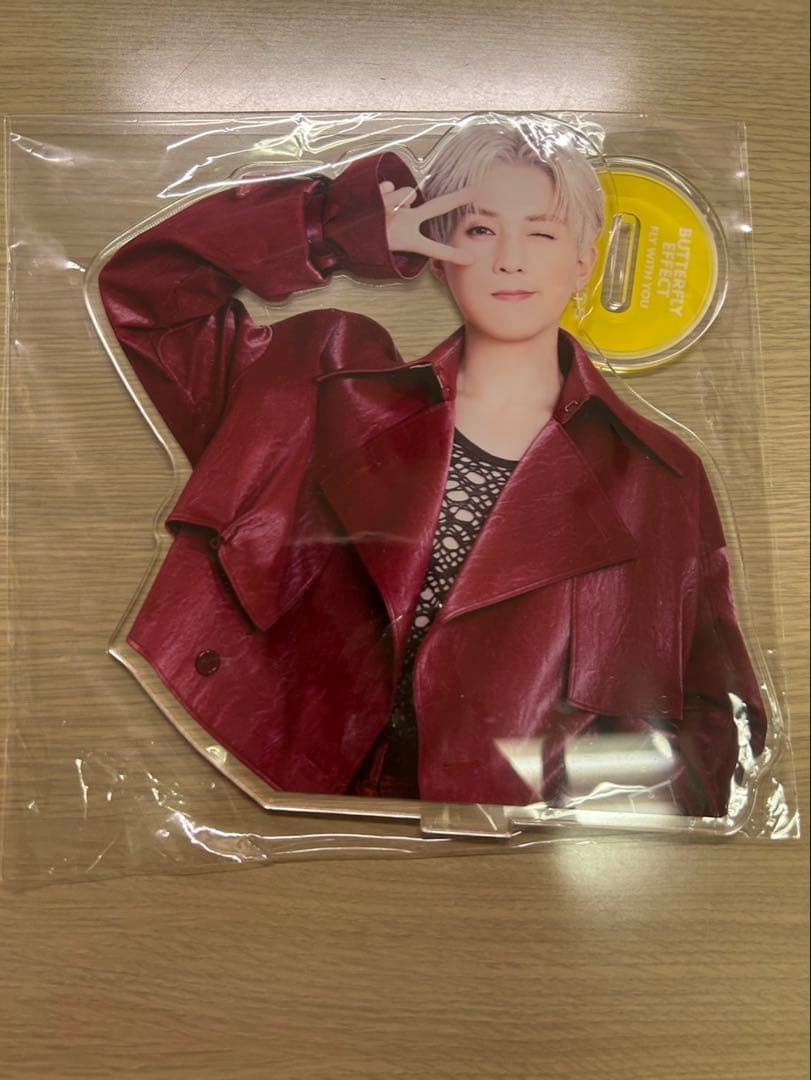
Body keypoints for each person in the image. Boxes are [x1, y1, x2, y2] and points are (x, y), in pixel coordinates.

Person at [96, 115, 766, 816]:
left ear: (583, 264)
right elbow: (148, 294)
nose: (510, 260)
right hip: (229, 778)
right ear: (438, 255)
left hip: (497, 850)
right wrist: (341, 229)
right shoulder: (325, 383)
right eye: (479, 230)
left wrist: (557, 791)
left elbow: (721, 729)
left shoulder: (658, 479)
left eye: (541, 233)